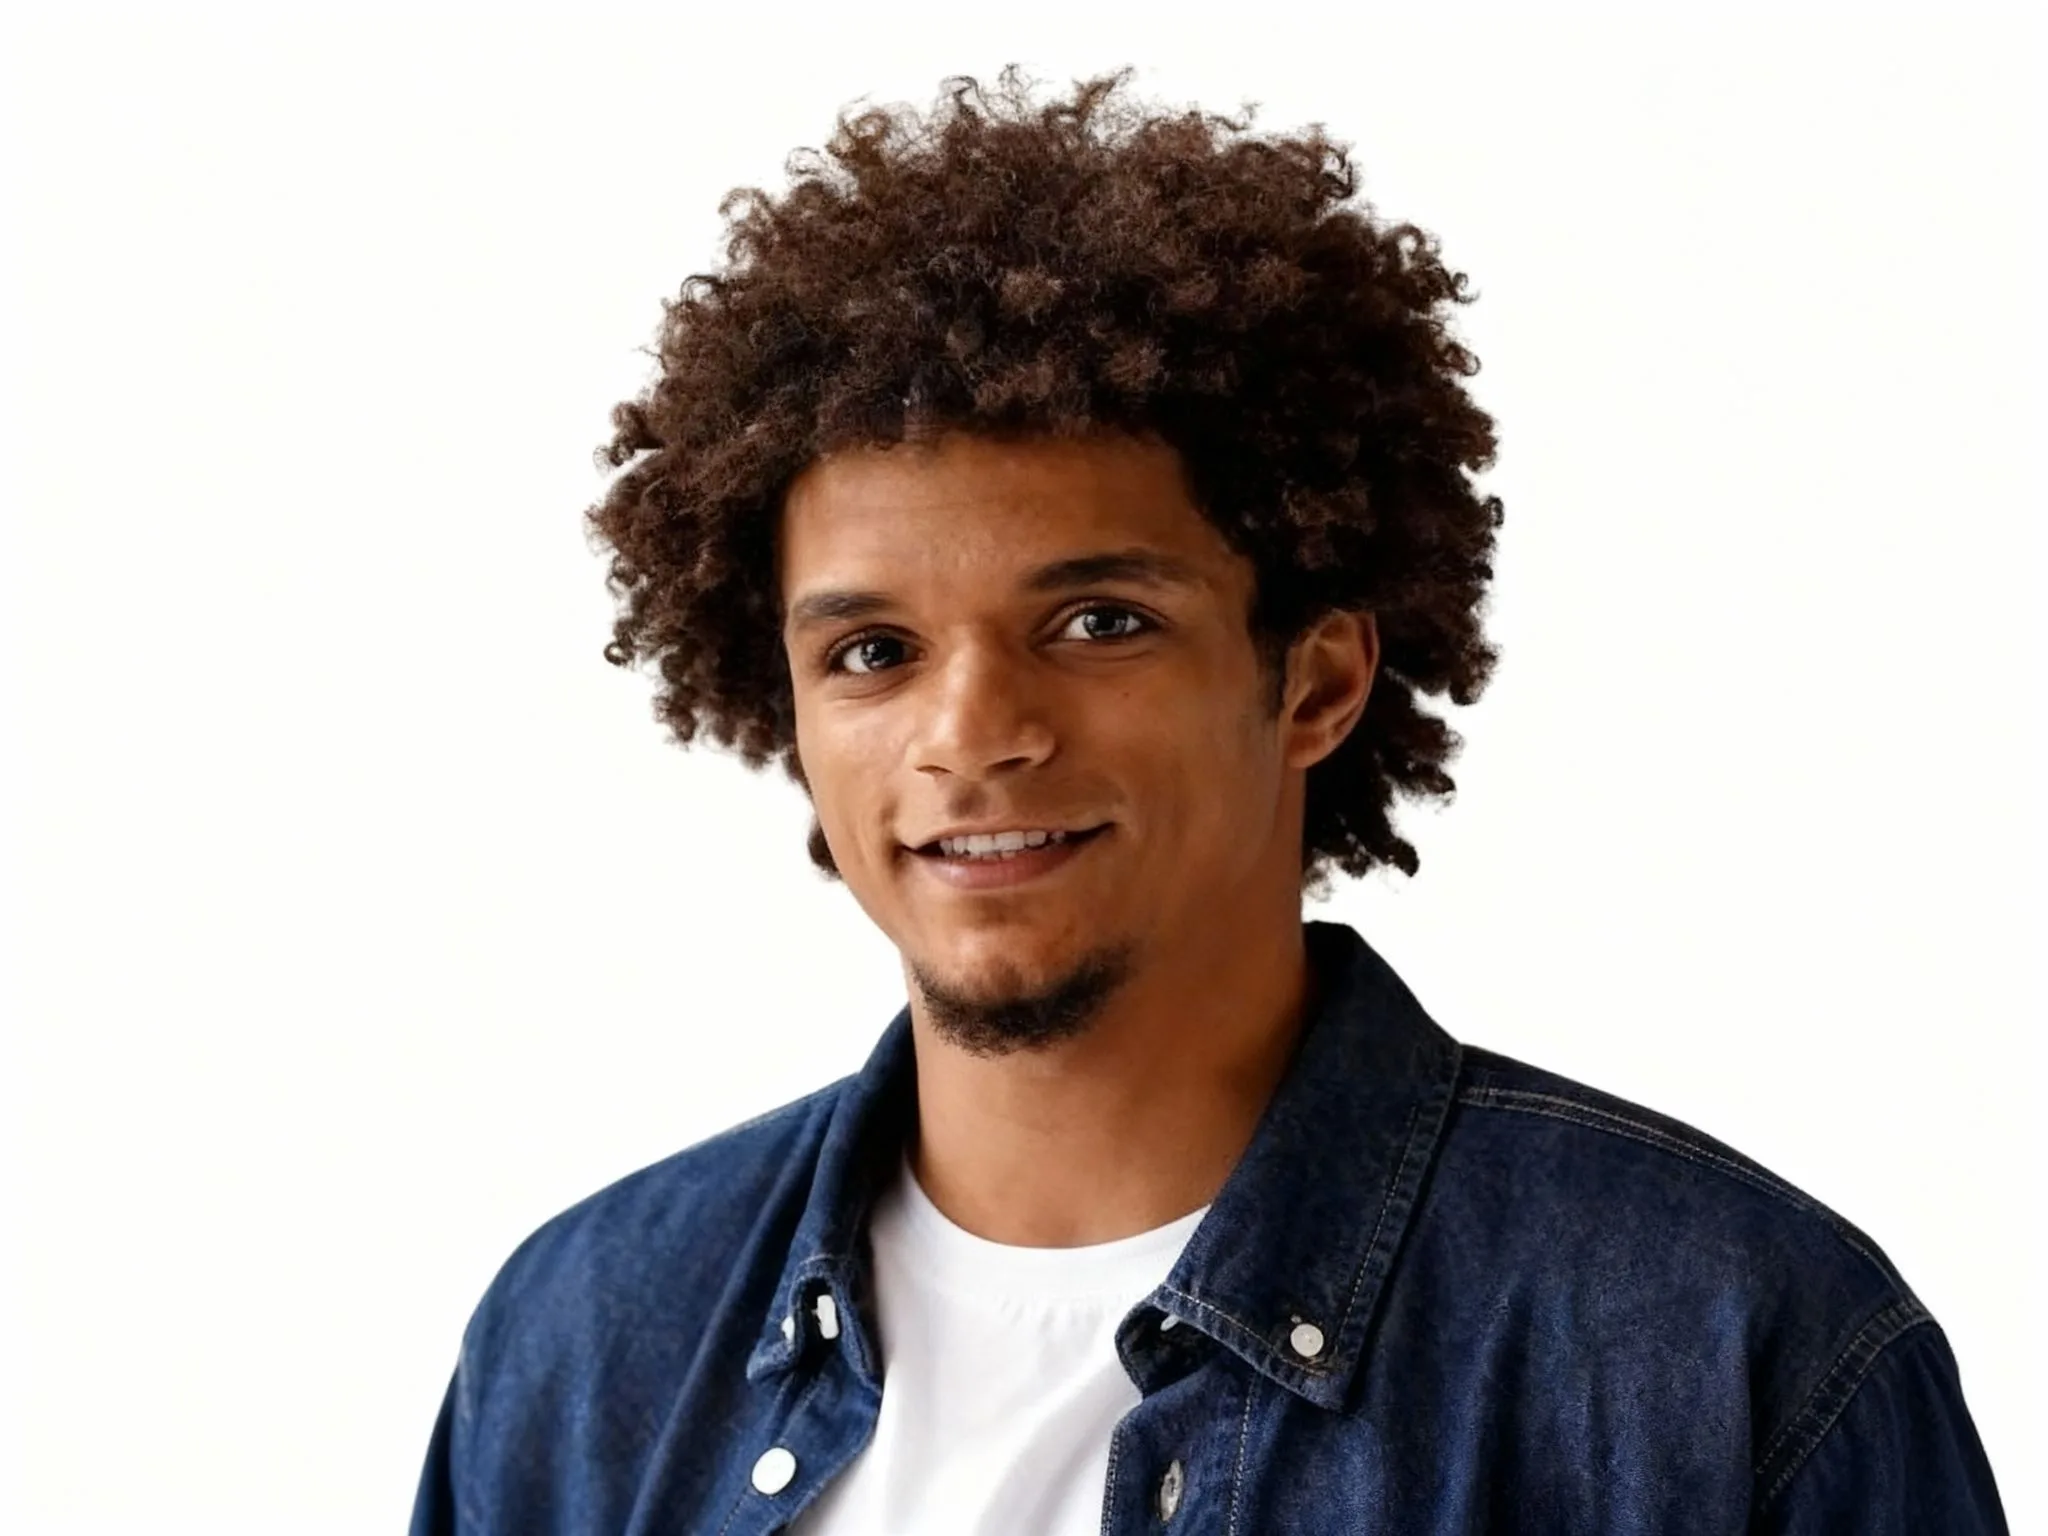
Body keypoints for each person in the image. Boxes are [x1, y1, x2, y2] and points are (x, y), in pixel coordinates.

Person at [407, 67, 2006, 1534]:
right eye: (874, 652)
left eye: (1098, 622)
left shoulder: (1717, 1353)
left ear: (1313, 682)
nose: (971, 734)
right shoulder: (584, 1347)